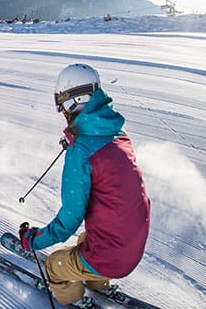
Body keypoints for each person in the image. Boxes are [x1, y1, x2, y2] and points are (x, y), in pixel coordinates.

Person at [19, 63, 150, 308]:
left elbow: (68, 220)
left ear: (72, 102)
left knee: (54, 265)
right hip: (132, 248)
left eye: (62, 105)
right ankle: (98, 282)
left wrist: (33, 240)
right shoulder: (118, 134)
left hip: (111, 258)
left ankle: (75, 300)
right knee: (85, 240)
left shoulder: (81, 152)